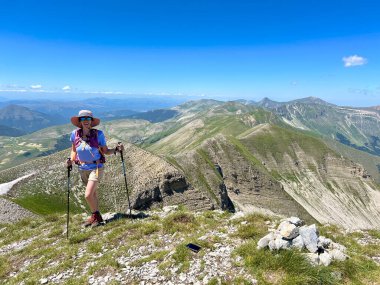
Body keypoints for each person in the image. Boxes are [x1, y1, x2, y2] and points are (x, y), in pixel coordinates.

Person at [67, 110, 124, 227]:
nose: (86, 121)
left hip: (97, 167)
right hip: (82, 168)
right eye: (83, 119)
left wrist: (117, 150)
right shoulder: (75, 134)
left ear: (92, 121)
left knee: (88, 195)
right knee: (93, 194)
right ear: (80, 121)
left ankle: (95, 216)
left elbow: (105, 151)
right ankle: (96, 218)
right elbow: (73, 150)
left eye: (88, 119)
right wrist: (70, 160)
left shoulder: (98, 134)